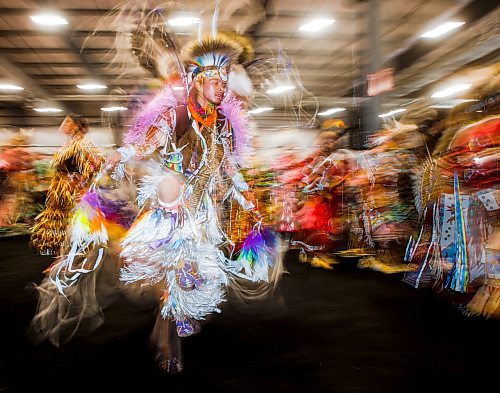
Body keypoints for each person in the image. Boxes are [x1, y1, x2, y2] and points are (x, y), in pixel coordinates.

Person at [32, 35, 280, 372]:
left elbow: (227, 167)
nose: (222, 87)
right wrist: (121, 154)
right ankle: (166, 340)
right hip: (173, 208)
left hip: (203, 212)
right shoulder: (177, 116)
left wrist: (246, 196)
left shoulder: (222, 125)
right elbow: (147, 146)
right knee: (177, 271)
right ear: (197, 81)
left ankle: (169, 325)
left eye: (225, 81)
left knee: (194, 276)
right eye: (214, 80)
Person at [30, 115, 102, 255]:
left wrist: (79, 185)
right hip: (61, 191)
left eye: (68, 121)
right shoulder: (70, 143)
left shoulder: (82, 144)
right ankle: (64, 255)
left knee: (74, 224)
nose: (63, 124)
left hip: (71, 192)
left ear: (76, 126)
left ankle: (74, 255)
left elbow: (95, 165)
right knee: (64, 225)